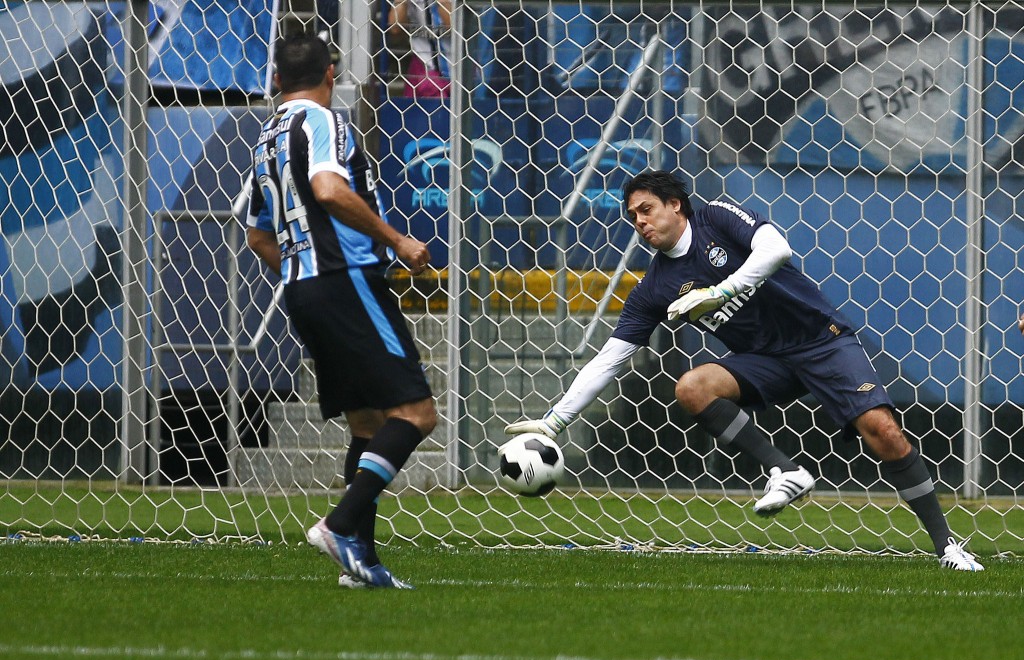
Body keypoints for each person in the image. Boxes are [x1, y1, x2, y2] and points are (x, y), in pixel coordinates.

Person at [507, 170, 984, 571]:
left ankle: (947, 546)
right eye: (633, 216)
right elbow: (609, 358)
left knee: (884, 432)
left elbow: (776, 250)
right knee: (692, 387)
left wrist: (718, 293)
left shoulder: (716, 216)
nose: (640, 222)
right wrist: (555, 421)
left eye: (646, 209)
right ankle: (786, 471)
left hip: (820, 340)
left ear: (676, 205)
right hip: (765, 363)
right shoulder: (655, 287)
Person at [243, 35, 436, 588]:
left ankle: (361, 564)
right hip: (346, 280)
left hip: (302, 289)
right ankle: (339, 524)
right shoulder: (322, 121)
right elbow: (327, 189)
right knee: (416, 414)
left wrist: (305, 268)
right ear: (331, 74)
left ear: (276, 80)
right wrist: (397, 239)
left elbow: (258, 236)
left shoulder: (267, 138)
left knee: (367, 424)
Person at [387, 0, 451, 98]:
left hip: (456, 68)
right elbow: (395, 28)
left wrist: (442, 3)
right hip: (423, 70)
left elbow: (455, 26)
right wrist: (401, 3)